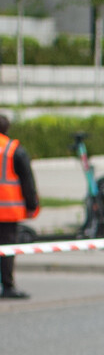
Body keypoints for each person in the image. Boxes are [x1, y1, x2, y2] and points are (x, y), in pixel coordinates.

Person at [0, 114, 40, 300]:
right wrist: (32, 205)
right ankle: (7, 286)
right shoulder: (13, 150)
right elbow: (27, 181)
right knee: (7, 250)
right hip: (7, 211)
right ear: (7, 129)